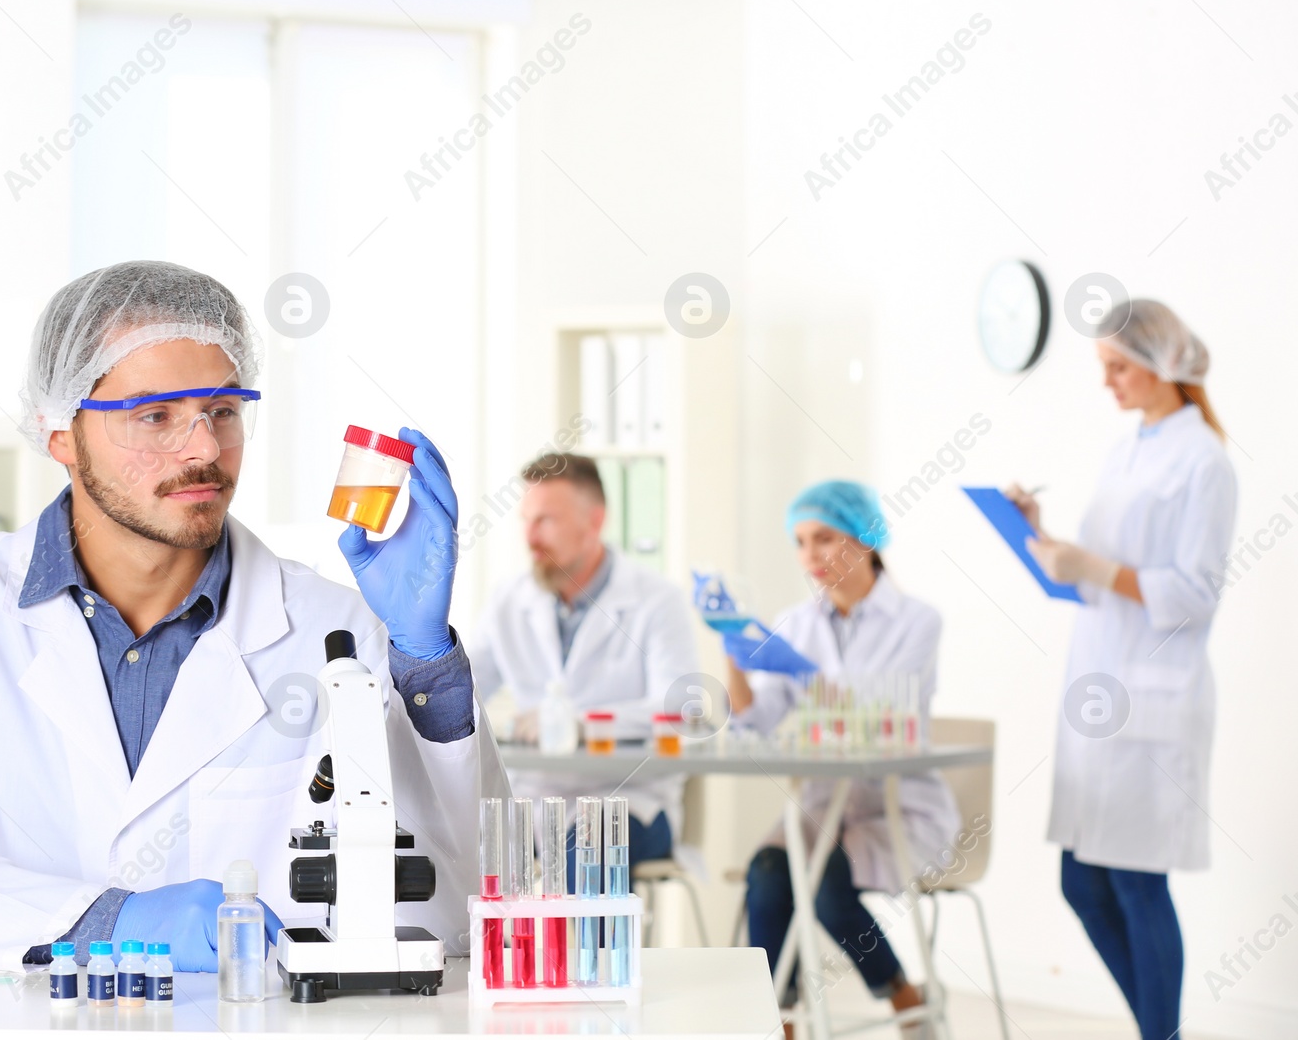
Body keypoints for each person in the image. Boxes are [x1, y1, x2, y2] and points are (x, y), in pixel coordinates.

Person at [0, 260, 505, 972]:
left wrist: (426, 660)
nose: (203, 449)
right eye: (155, 415)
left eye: (223, 410)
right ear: (60, 434)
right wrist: (107, 921)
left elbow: (456, 906)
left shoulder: (340, 631)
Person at [1006, 299, 1235, 1040]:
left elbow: (1195, 592)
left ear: (1165, 362)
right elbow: (1099, 574)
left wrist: (1097, 568)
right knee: (1083, 877)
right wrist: (1040, 538)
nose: (1107, 381)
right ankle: (1156, 1031)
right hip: (1101, 692)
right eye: (1102, 367)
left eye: (1118, 366)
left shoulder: (1204, 460)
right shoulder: (1129, 448)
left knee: (1136, 879)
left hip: (1154, 698)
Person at [723, 481, 959, 1034]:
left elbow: (878, 712)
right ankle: (777, 1019)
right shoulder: (797, 623)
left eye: (824, 538)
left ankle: (900, 992)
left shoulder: (918, 621)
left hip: (896, 810)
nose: (811, 557)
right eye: (801, 542)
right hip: (824, 806)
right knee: (769, 872)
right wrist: (733, 654)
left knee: (825, 886)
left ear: (866, 536)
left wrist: (806, 674)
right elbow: (759, 717)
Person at [469, 453, 699, 878]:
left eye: (546, 521)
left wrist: (580, 723)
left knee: (582, 853)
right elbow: (462, 690)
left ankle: (594, 950)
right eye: (526, 520)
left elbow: (679, 710)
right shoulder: (509, 600)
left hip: (629, 800)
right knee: (453, 852)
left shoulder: (656, 600)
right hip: (536, 800)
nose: (531, 537)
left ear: (594, 521)